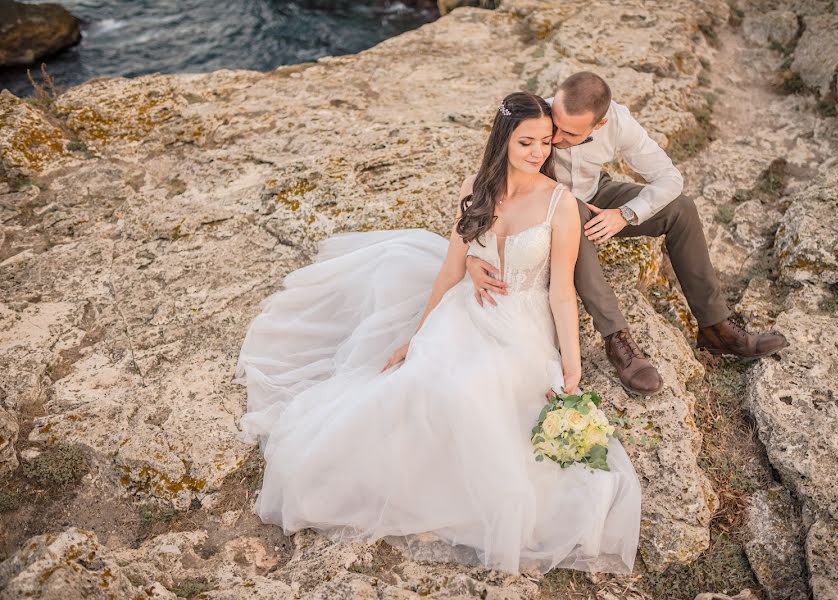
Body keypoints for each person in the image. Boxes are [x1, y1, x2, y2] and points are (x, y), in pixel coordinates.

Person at [233, 92, 641, 576]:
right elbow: (450, 271)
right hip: (468, 309)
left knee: (477, 393)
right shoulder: (477, 187)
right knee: (419, 379)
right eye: (526, 142)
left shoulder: (560, 203)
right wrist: (416, 334)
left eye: (546, 142)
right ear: (503, 141)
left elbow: (560, 293)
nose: (537, 152)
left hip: (524, 324)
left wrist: (571, 363)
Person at [466, 72, 788, 396]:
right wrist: (475, 254)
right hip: (551, 210)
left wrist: (624, 215)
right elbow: (494, 177)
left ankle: (716, 326)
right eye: (556, 124)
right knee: (573, 210)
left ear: (599, 125)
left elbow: (669, 177)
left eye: (569, 133)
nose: (556, 137)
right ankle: (617, 338)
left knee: (682, 208)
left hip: (597, 194)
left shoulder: (618, 122)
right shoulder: (538, 118)